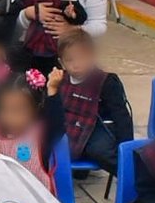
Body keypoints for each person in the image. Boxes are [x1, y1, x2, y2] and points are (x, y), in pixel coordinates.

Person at [0, 68, 67, 192]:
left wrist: (52, 90)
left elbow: (57, 124)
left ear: (36, 109)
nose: (10, 118)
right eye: (4, 109)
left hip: (35, 202)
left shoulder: (40, 135)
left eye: (18, 110)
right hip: (0, 202)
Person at [56, 30, 133, 174]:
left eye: (81, 58)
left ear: (92, 57)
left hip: (96, 127)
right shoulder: (60, 79)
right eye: (70, 60)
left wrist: (126, 148)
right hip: (68, 125)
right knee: (46, 141)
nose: (76, 64)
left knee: (99, 151)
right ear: (62, 63)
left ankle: (131, 177)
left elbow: (121, 116)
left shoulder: (107, 82)